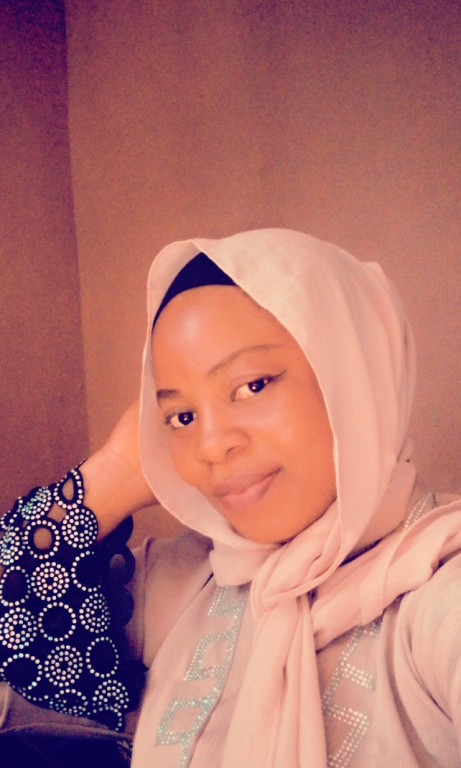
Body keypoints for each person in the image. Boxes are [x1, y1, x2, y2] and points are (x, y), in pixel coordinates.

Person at [1, 228, 461, 767]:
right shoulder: (190, 582)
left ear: (357, 371)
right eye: (181, 417)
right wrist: (116, 471)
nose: (211, 446)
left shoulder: (438, 590)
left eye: (252, 386)